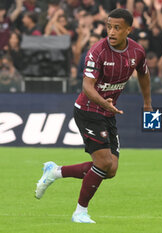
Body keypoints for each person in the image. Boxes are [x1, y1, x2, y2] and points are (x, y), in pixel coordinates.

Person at [34, 8, 152, 224]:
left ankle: (55, 172)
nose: (112, 31)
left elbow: (144, 73)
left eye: (117, 27)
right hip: (88, 110)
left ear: (128, 30)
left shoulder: (137, 52)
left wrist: (147, 103)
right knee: (104, 162)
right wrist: (104, 102)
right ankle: (80, 212)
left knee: (111, 170)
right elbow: (87, 87)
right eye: (109, 26)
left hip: (108, 112)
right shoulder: (97, 52)